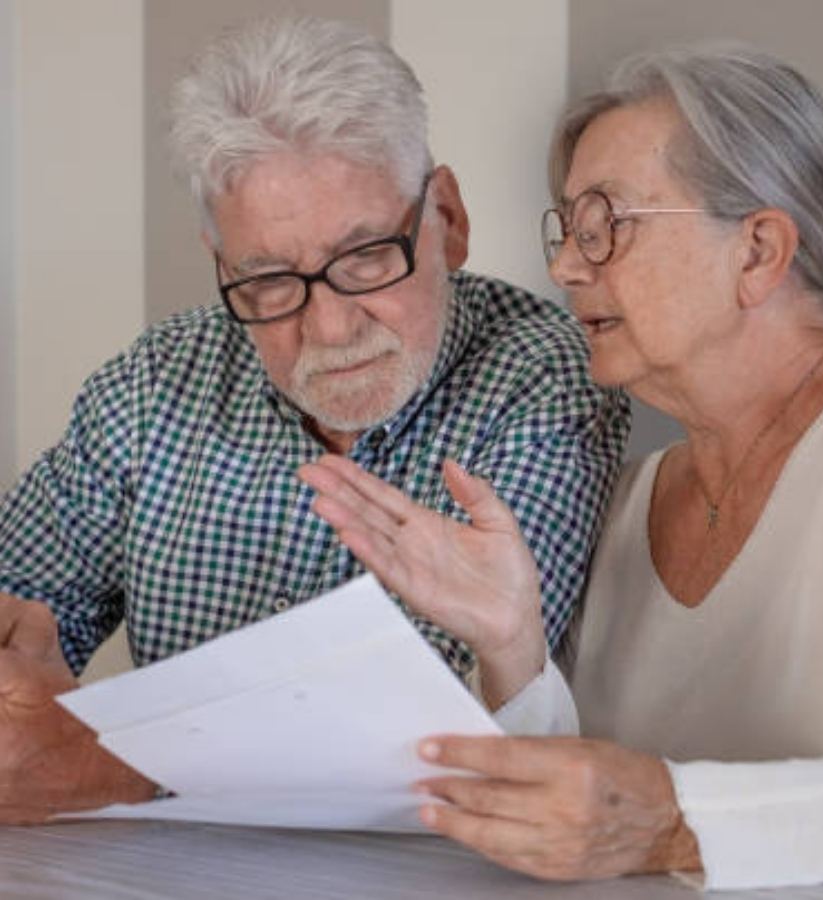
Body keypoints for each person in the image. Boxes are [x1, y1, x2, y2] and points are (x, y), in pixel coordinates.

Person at [300, 43, 823, 890]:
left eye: (605, 225)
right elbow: (579, 825)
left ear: (759, 250)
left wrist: (675, 821)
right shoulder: (626, 504)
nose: (565, 267)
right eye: (570, 229)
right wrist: (511, 643)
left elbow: (646, 822)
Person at [0, 16, 629, 822]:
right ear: (222, 265)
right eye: (266, 279)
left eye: (366, 256)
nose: (329, 330)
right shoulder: (153, 383)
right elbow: (24, 613)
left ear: (447, 218)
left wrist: (119, 765)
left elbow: (445, 730)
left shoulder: (543, 376)